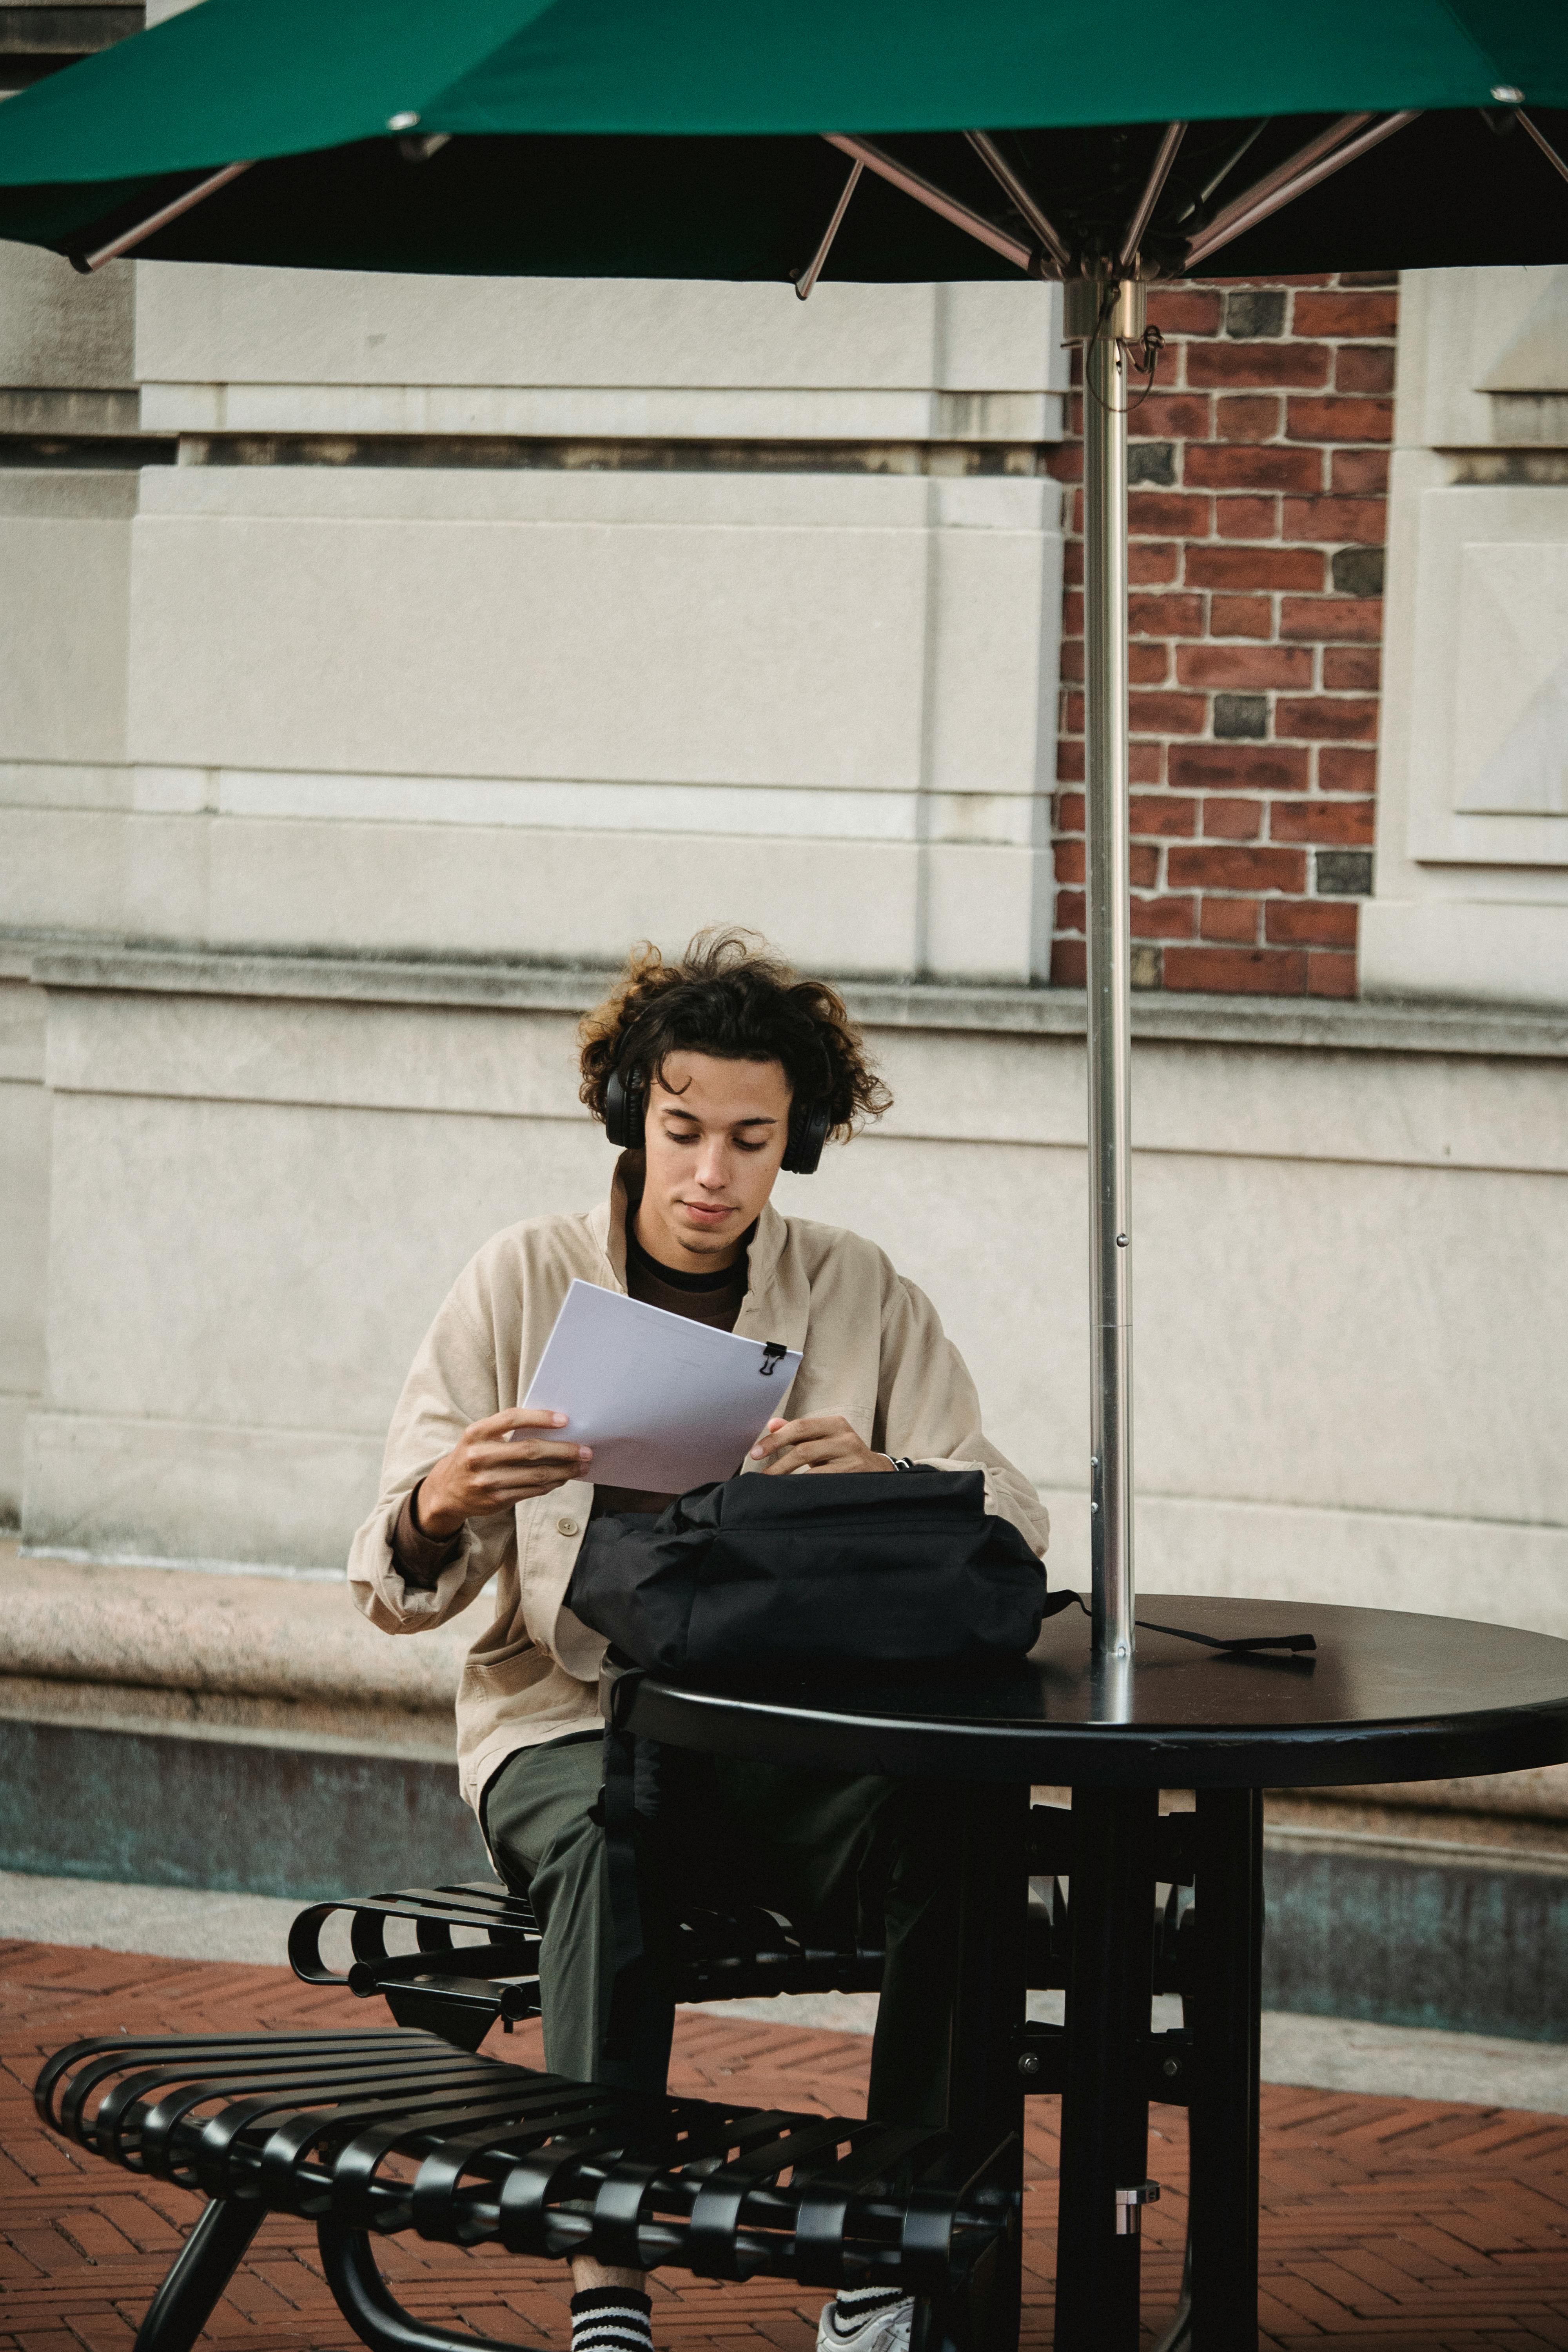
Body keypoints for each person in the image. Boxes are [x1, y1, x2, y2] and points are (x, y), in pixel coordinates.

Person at [349, 929, 1049, 2352]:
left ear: (795, 1143)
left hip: (794, 1739)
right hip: (568, 1725)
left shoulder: (858, 1289)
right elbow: (388, 1573)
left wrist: (888, 1482)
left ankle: (895, 2259)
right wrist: (444, 1500)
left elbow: (1016, 1520)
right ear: (633, 1118)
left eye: (751, 1138)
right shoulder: (520, 1278)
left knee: (965, 1830)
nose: (711, 1175)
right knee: (615, 1832)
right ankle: (609, 2277)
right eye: (682, 1132)